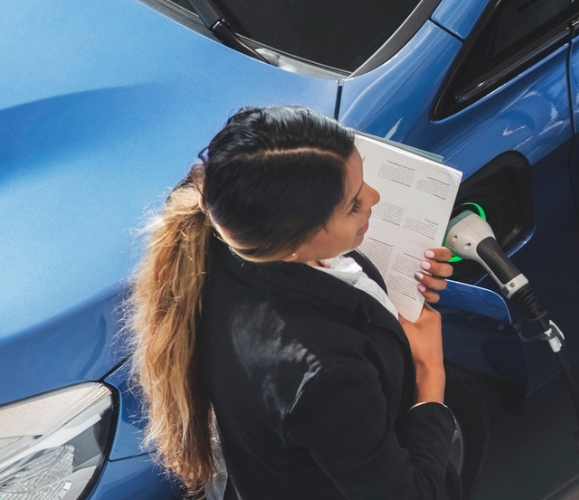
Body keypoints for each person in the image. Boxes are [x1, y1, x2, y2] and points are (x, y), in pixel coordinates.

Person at [127, 106, 465, 499]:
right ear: (294, 242)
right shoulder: (326, 375)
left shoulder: (230, 234)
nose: (375, 196)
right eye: (353, 204)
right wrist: (429, 373)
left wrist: (395, 272)